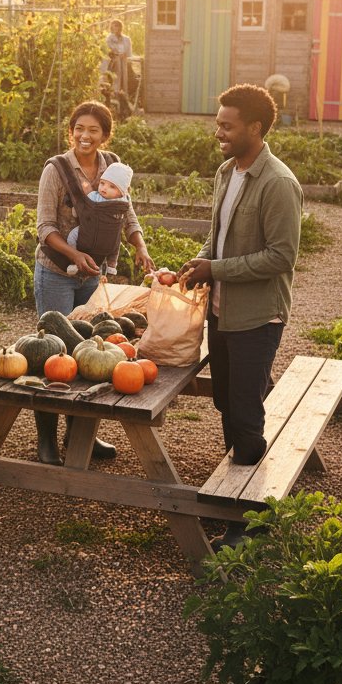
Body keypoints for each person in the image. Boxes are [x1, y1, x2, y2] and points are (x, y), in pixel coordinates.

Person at [177, 84, 302, 548]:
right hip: (222, 312)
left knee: (246, 414)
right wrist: (199, 263)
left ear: (255, 128)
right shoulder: (227, 172)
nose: (219, 133)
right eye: (218, 124)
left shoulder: (279, 183)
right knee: (227, 405)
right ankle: (237, 496)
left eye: (227, 126)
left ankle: (250, 520)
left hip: (257, 317)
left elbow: (281, 257)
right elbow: (220, 237)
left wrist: (218, 268)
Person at [34, 101, 156, 465]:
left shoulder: (111, 165)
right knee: (51, 352)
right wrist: (74, 256)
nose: (85, 136)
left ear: (105, 135)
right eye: (79, 129)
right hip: (57, 273)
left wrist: (139, 246)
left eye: (94, 130)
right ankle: (46, 439)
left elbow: (126, 210)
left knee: (91, 351)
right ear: (70, 131)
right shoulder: (56, 170)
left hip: (93, 275)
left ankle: (81, 433)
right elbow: (44, 229)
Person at [65, 161, 134, 275]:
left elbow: (80, 211)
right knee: (116, 241)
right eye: (102, 183)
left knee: (72, 236)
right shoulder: (124, 201)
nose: (104, 188)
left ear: (121, 192)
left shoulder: (93, 196)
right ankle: (112, 265)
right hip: (109, 237)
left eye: (112, 186)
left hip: (91, 232)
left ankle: (73, 262)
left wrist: (75, 211)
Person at [105, 19, 133, 104]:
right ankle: (114, 97)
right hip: (113, 62)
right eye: (114, 26)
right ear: (111, 28)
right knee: (115, 79)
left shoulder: (126, 39)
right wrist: (115, 54)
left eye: (117, 26)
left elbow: (129, 53)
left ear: (121, 27)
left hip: (124, 62)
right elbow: (108, 50)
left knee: (124, 79)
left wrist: (124, 55)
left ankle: (124, 98)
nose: (116, 28)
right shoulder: (109, 38)